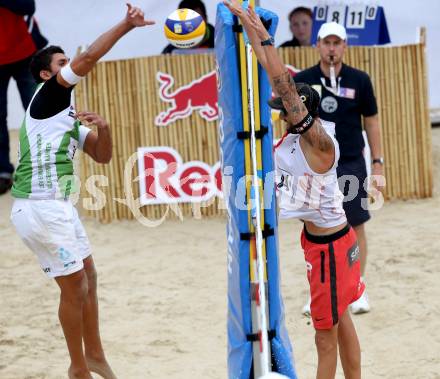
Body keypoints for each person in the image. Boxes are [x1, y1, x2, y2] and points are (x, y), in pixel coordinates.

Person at [10, 4, 154, 379]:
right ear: (46, 74)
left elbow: (103, 157)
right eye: (61, 63)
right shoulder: (46, 96)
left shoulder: (66, 113)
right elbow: (89, 56)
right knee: (75, 286)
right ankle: (78, 367)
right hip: (38, 207)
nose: (68, 64)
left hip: (59, 206)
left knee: (90, 274)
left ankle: (95, 355)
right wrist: (126, 25)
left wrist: (103, 128)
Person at [224, 1, 364, 378]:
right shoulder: (293, 140)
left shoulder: (320, 143)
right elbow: (277, 81)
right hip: (325, 240)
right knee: (342, 318)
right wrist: (247, 28)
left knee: (324, 337)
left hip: (331, 250)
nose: (279, 111)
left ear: (299, 111)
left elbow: (282, 83)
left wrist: (265, 34)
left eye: (284, 108)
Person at [294, 22, 384, 315]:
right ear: (317, 44)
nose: (331, 48)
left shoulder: (359, 80)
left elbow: (371, 121)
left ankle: (357, 287)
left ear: (345, 46)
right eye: (326, 42)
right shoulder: (305, 80)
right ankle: (317, 292)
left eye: (337, 43)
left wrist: (378, 163)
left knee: (355, 222)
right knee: (315, 225)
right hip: (316, 164)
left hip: (350, 161)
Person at [0, 0, 47, 194]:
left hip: (24, 50)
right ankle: (3, 171)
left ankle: (44, 169)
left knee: (39, 112)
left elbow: (27, 5)